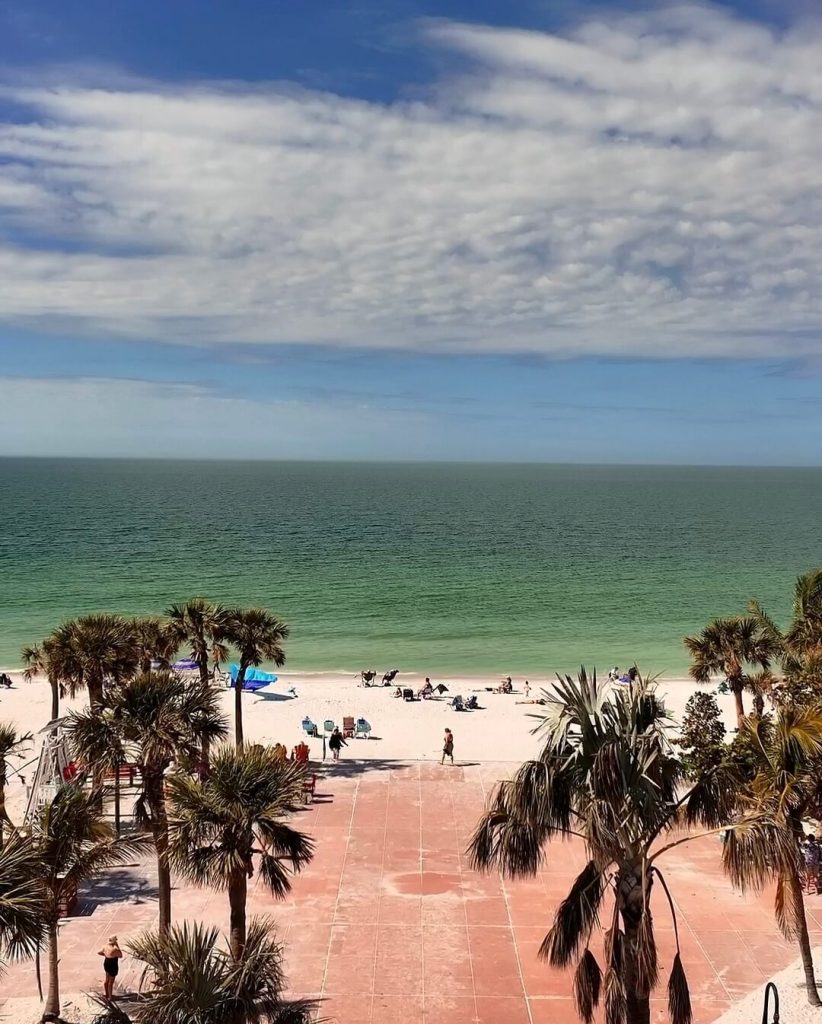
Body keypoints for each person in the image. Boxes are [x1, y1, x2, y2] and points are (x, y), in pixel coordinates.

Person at [98, 935, 123, 999]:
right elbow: (120, 955)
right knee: (111, 982)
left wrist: (106, 955)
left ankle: (107, 994)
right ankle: (110, 996)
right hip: (113, 964)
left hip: (106, 962)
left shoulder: (105, 947)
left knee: (107, 979)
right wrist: (117, 946)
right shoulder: (114, 949)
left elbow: (99, 952)